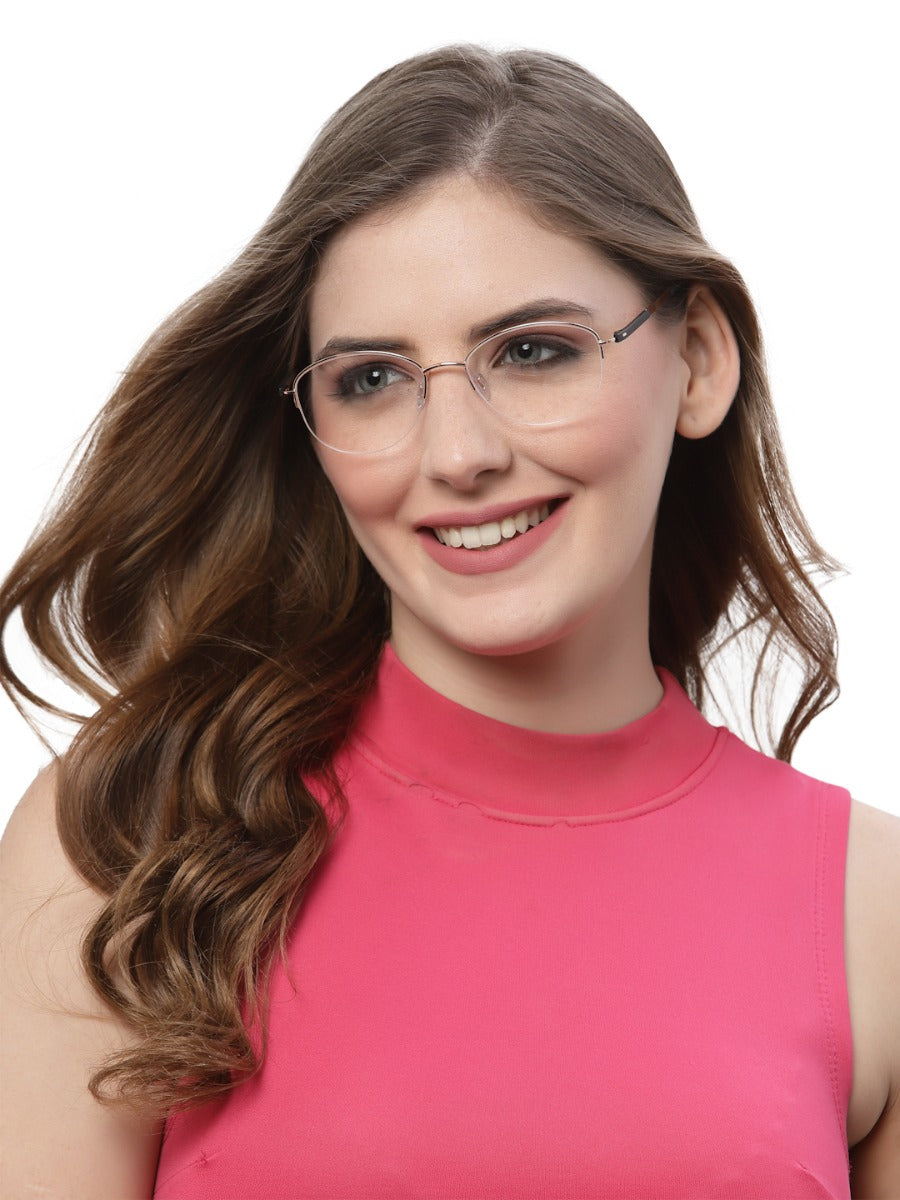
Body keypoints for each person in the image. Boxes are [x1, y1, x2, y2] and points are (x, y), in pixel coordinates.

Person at [1, 43, 897, 1199]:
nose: (459, 454)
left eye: (533, 353)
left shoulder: (870, 913)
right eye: (372, 379)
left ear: (700, 363)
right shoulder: (124, 847)